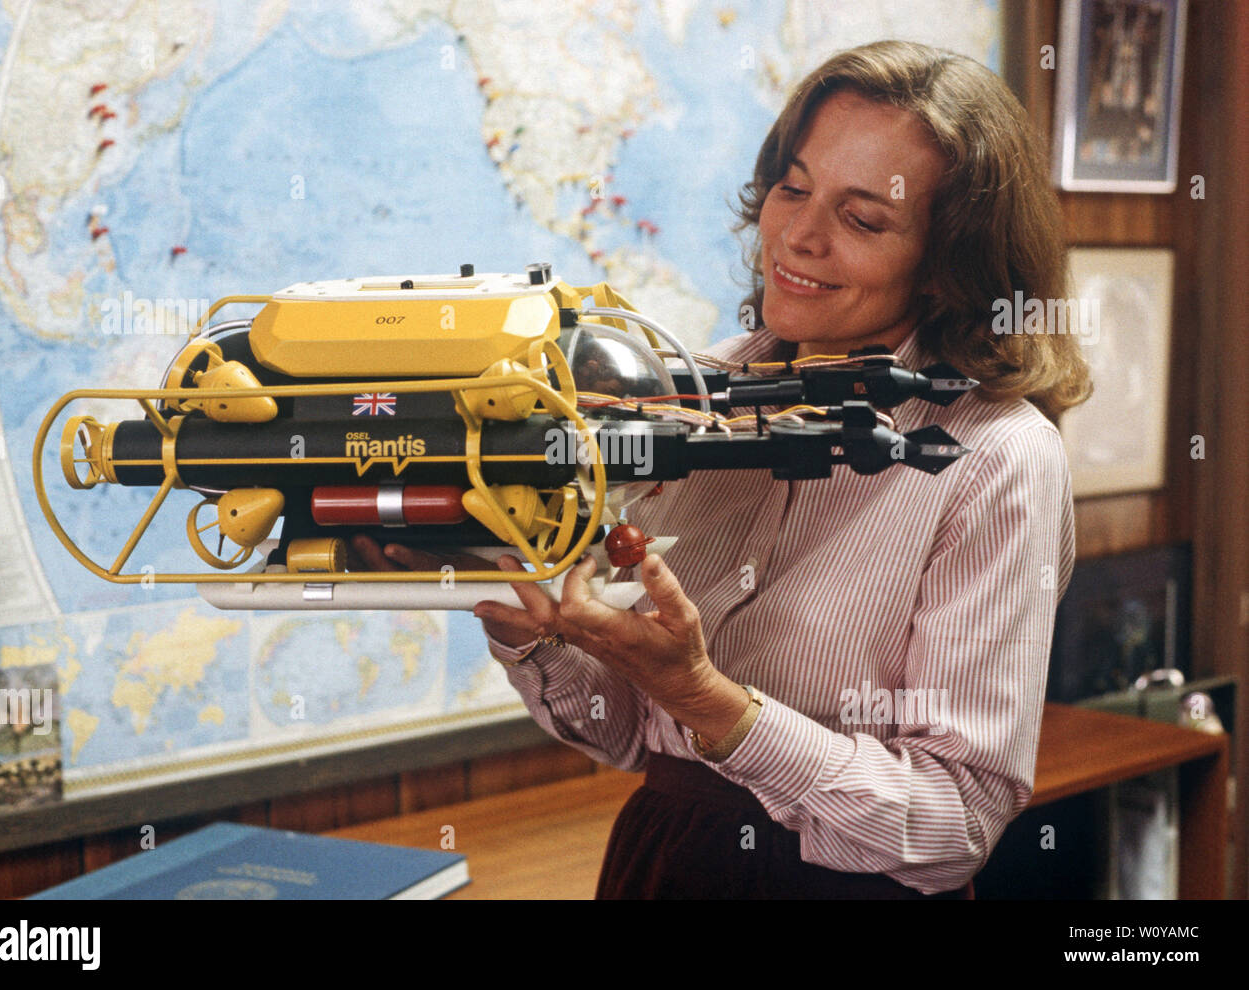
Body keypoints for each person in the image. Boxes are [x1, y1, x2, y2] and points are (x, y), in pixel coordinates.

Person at [354, 40, 1092, 898]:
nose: (800, 237)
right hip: (659, 864)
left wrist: (709, 700)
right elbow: (627, 734)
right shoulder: (689, 394)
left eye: (862, 219)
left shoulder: (999, 459)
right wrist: (525, 612)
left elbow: (953, 824)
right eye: (793, 187)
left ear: (946, 267)